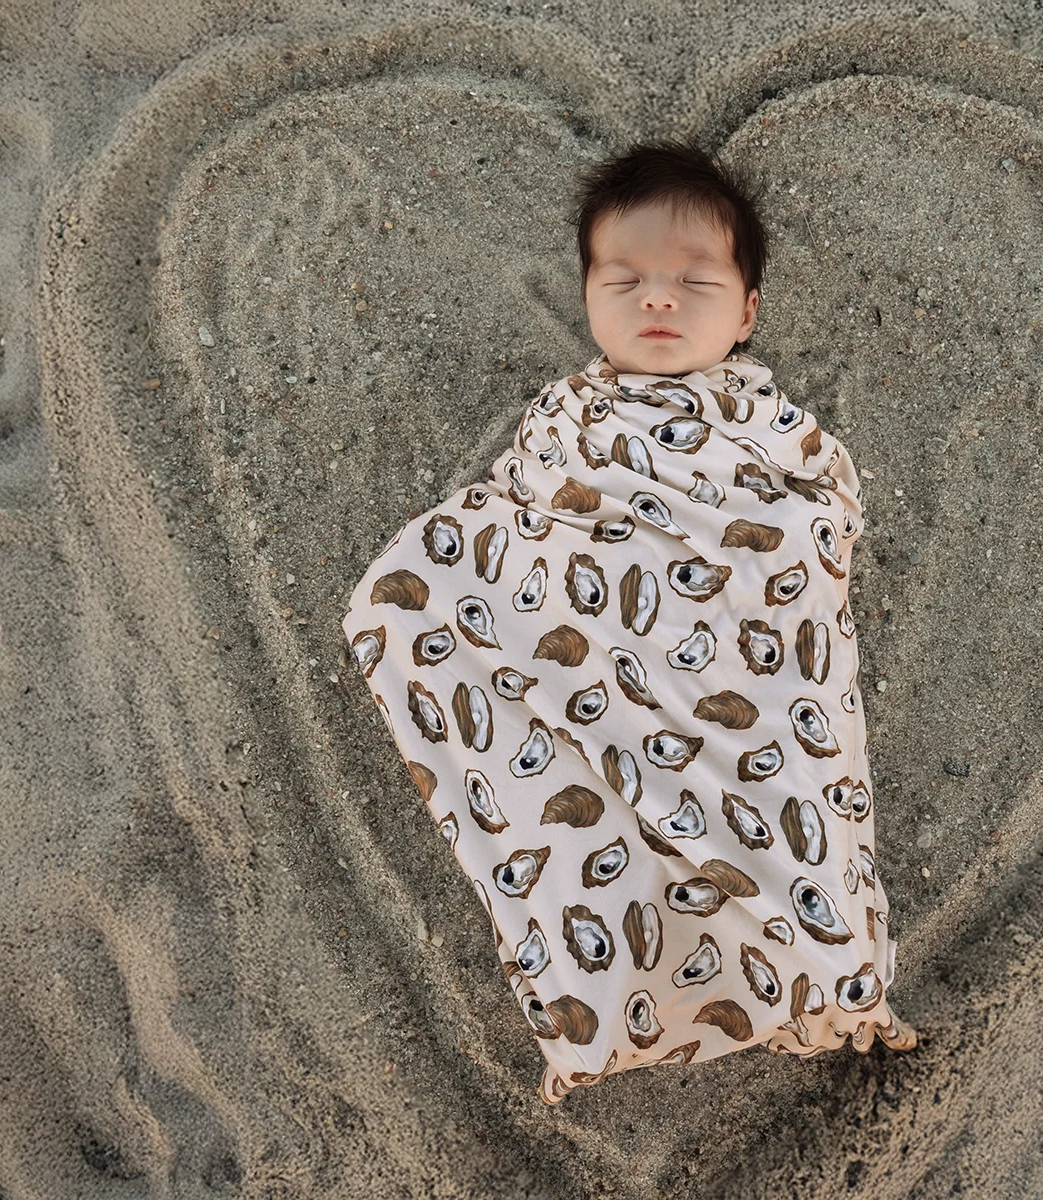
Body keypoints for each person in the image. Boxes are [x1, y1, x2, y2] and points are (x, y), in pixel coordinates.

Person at [342, 139, 917, 1106]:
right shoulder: (566, 421)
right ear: (588, 301)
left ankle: (822, 970)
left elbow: (808, 532)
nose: (659, 299)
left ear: (747, 313)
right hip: (587, 658)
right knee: (418, 597)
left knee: (786, 810)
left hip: (739, 667)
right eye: (627, 280)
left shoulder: (776, 435)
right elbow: (527, 518)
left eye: (694, 280)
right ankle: (610, 997)